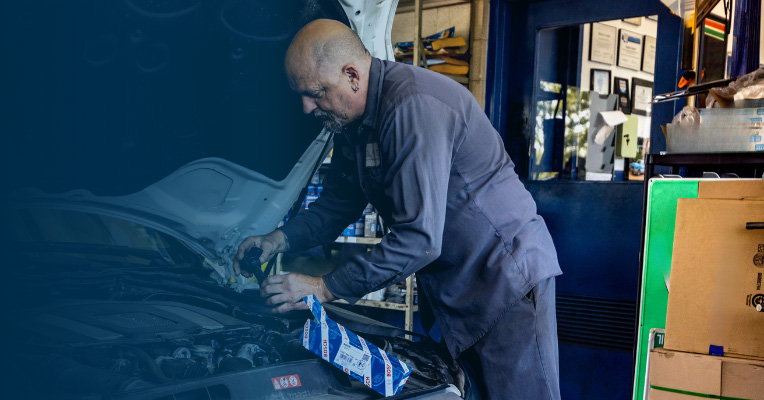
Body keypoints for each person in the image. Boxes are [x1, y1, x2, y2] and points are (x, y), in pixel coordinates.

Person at [233, 19, 562, 399]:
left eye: (316, 92)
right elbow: (339, 203)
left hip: (502, 281)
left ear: (352, 76)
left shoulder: (412, 108)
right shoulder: (352, 123)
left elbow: (418, 240)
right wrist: (279, 239)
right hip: (453, 287)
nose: (307, 107)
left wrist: (324, 287)